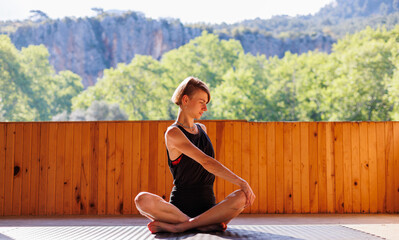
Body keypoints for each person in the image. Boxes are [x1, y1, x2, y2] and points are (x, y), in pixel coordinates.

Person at [135, 76, 255, 233]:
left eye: (206, 103)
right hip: (178, 210)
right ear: (185, 100)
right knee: (142, 200)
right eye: (202, 102)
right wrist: (242, 182)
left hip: (209, 209)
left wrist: (243, 188)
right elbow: (206, 162)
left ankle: (183, 226)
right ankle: (196, 224)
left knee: (242, 197)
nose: (205, 108)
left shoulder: (202, 129)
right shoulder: (173, 133)